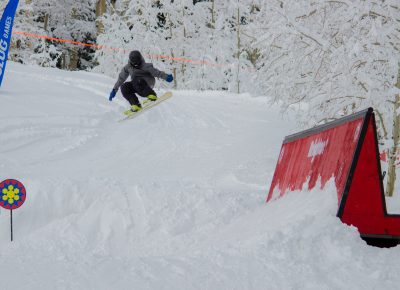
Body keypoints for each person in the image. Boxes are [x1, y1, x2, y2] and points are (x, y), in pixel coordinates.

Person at [108, 50, 174, 115]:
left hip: (148, 83)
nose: (136, 65)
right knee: (124, 87)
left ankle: (152, 95)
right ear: (131, 61)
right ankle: (135, 105)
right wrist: (114, 89)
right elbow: (121, 78)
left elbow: (157, 73)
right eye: (134, 63)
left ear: (140, 59)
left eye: (138, 62)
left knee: (136, 80)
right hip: (137, 85)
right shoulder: (128, 67)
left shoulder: (146, 66)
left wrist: (166, 77)